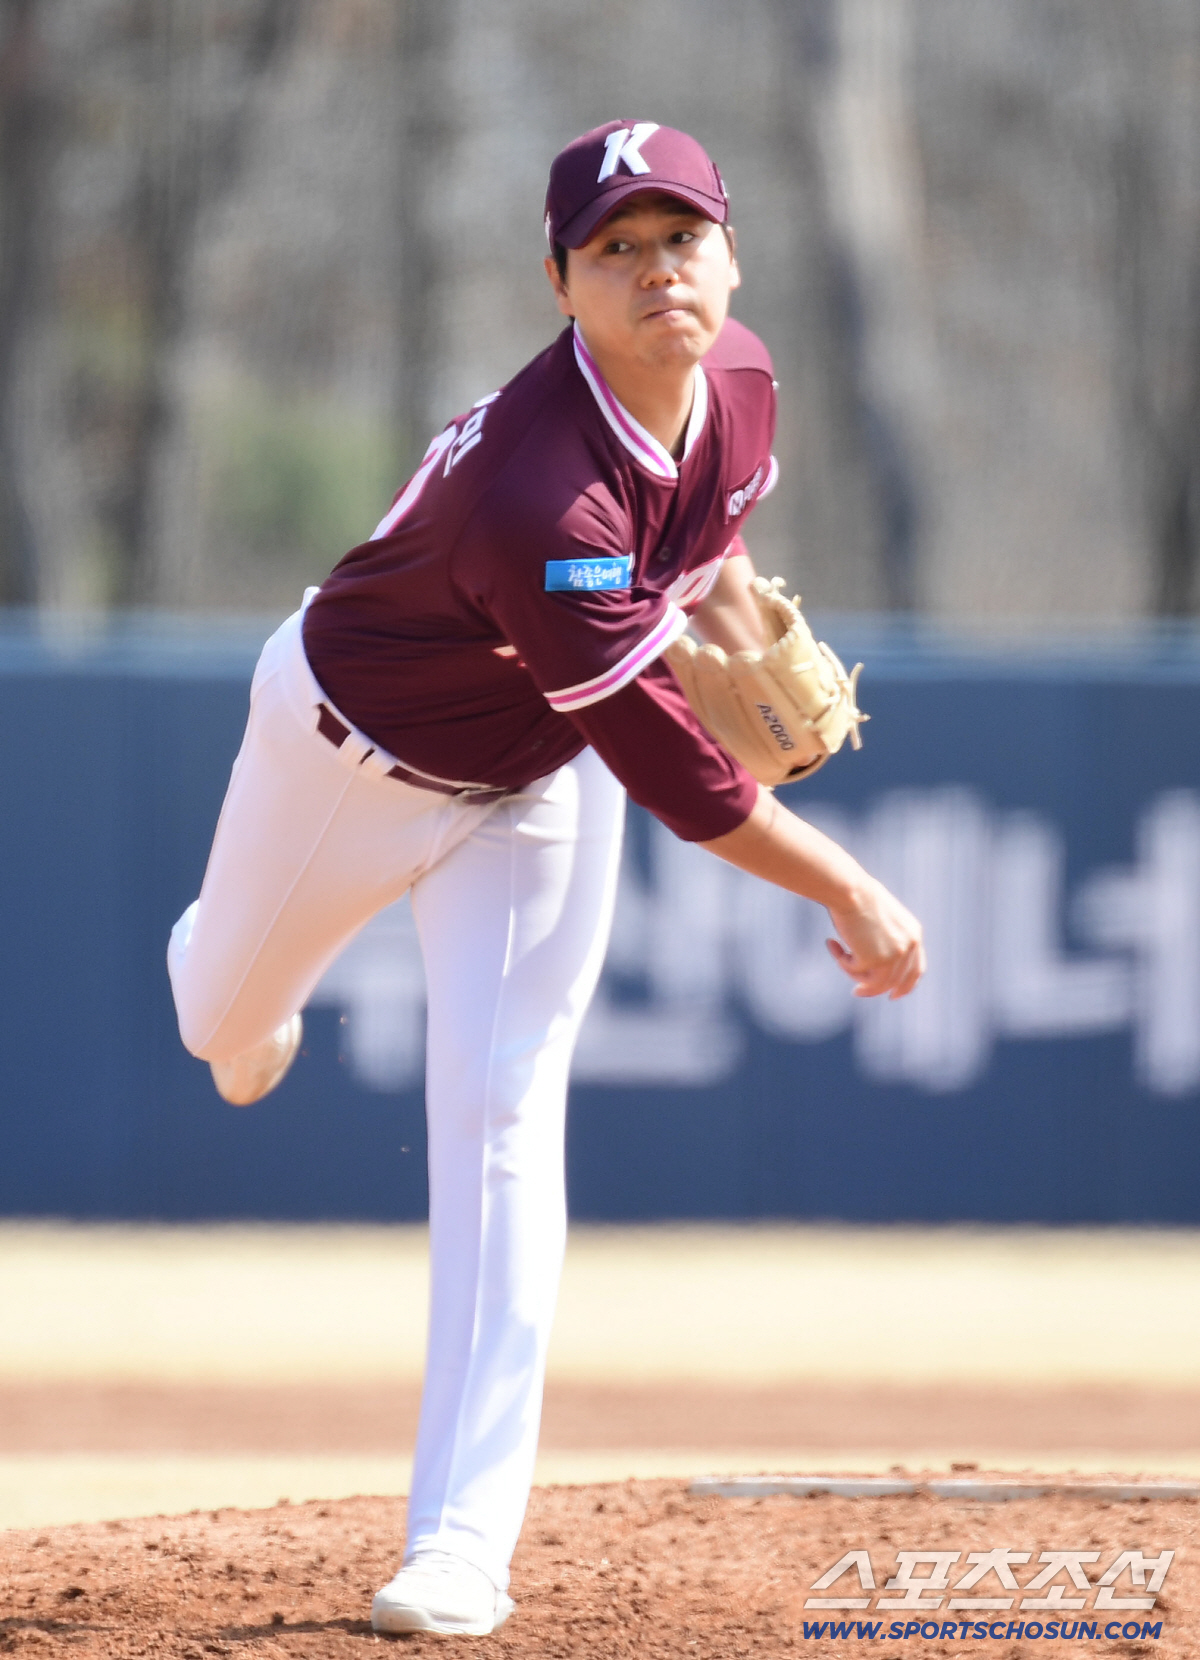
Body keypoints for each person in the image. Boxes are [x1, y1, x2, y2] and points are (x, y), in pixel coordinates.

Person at [167, 119, 925, 1637]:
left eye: (682, 238)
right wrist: (851, 886)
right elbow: (688, 789)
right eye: (615, 249)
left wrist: (734, 621)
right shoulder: (543, 494)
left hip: (529, 788)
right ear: (559, 284)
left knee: (505, 1122)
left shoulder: (745, 382)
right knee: (220, 1028)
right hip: (344, 759)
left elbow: (706, 546)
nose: (658, 272)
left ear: (732, 255)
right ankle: (236, 977)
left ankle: (460, 1544)